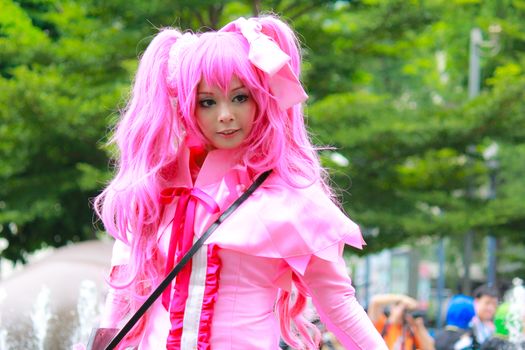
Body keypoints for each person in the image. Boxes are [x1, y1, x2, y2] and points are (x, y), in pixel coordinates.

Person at [93, 14, 387, 349]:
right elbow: (121, 297)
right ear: (188, 107)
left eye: (240, 97)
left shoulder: (291, 197)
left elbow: (338, 306)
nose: (225, 115)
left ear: (262, 97)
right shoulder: (157, 187)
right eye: (208, 102)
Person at [368, 293, 435, 350]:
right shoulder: (382, 324)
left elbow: (430, 348)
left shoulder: (411, 331)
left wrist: (419, 326)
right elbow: (374, 301)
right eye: (398, 305)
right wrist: (402, 299)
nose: (403, 311)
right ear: (392, 308)